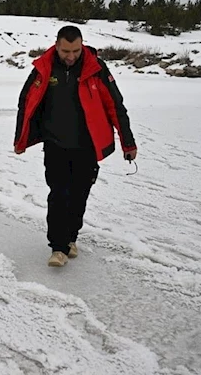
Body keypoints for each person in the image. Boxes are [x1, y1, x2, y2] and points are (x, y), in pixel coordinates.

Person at [14, 25, 137, 268]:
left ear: (82, 46)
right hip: (55, 144)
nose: (71, 56)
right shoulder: (44, 68)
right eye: (65, 51)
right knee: (59, 194)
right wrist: (20, 140)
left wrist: (128, 142)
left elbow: (115, 105)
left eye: (76, 51)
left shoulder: (96, 69)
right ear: (56, 46)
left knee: (79, 195)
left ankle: (70, 238)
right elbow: (25, 102)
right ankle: (58, 248)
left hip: (87, 146)